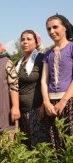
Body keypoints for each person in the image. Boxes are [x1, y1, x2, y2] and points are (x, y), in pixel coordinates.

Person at [41, 14, 73, 151]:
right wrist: (46, 102)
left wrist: (64, 101)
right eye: (49, 29)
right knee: (55, 144)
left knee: (70, 142)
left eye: (55, 27)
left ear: (64, 27)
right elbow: (44, 80)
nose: (51, 31)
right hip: (51, 103)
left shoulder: (71, 47)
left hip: (69, 100)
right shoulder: (48, 54)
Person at [15, 30, 47, 148]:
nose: (25, 42)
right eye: (23, 39)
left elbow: (48, 82)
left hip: (37, 110)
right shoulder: (18, 63)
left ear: (36, 42)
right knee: (26, 147)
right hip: (21, 112)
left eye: (29, 39)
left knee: (39, 146)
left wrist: (44, 104)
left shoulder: (42, 59)